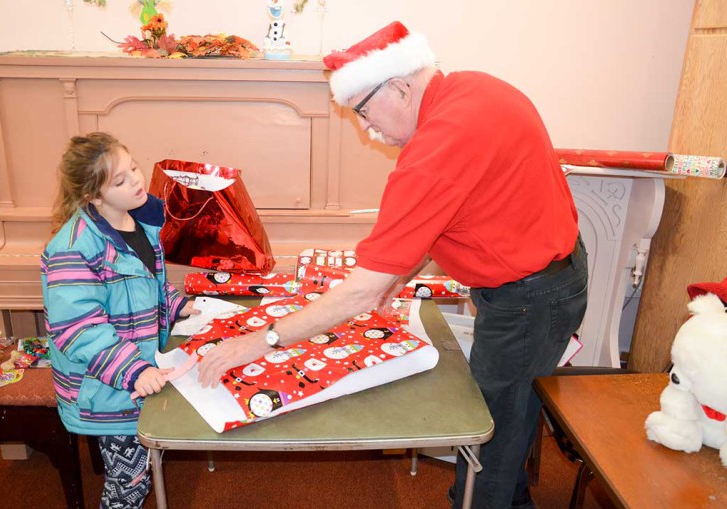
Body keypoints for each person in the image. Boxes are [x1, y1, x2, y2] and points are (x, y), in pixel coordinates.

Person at [197, 21, 588, 509]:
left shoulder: (435, 150)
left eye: (362, 112)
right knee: (511, 413)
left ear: (400, 86)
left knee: (490, 426)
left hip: (528, 296)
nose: (365, 128)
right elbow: (458, 211)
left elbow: (362, 291)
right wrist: (396, 273)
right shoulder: (478, 89)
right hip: (553, 268)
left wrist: (260, 340)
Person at [41, 132, 199, 509]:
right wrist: (133, 370)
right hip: (108, 389)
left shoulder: (141, 224)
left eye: (134, 167)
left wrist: (179, 306)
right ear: (93, 196)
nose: (136, 181)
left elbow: (148, 287)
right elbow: (80, 329)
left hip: (136, 373)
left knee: (141, 471)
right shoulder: (72, 248)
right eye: (121, 180)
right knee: (130, 485)